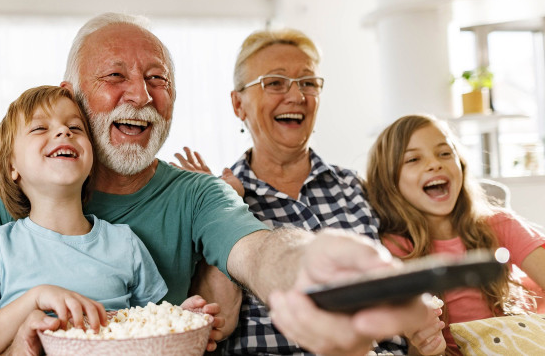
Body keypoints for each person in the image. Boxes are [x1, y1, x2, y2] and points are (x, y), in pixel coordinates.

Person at [0, 12, 434, 356]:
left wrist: (311, 264)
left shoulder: (197, 193)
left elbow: (259, 252)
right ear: (72, 96)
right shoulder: (17, 194)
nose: (141, 95)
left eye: (159, 79)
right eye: (115, 75)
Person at [171, 28, 439, 355]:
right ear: (238, 103)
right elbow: (218, 322)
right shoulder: (218, 198)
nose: (296, 96)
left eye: (308, 83)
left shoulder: (360, 189)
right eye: (275, 82)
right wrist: (222, 204)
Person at [0, 85, 175, 354]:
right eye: (39, 128)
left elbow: (155, 324)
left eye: (75, 128)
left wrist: (186, 315)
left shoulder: (124, 242)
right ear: (12, 166)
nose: (63, 131)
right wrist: (34, 299)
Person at [365, 114, 545, 354]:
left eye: (444, 153)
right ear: (390, 180)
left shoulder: (501, 224)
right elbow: (414, 349)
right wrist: (425, 346)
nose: (434, 164)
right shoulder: (392, 250)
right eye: (413, 159)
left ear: (461, 165)